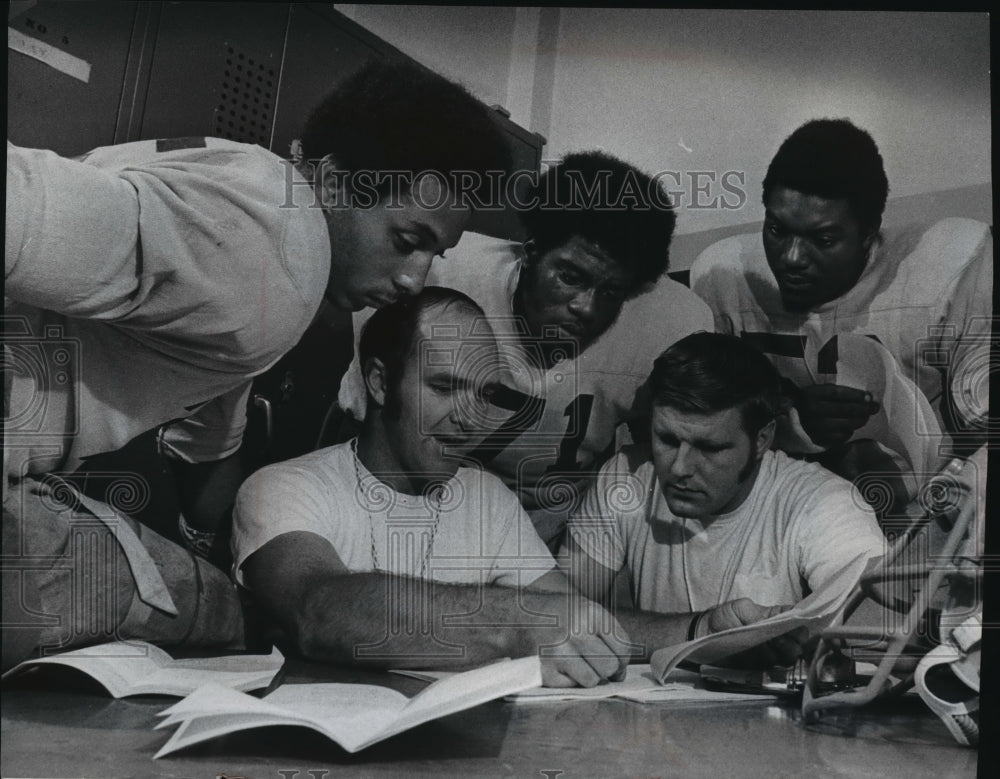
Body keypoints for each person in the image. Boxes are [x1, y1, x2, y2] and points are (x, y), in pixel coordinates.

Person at [2, 60, 510, 669]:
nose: (412, 279)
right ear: (332, 182)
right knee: (222, 616)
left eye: (434, 253)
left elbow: (206, 441)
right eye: (406, 241)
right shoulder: (284, 255)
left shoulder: (254, 183)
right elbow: (22, 204)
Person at [233, 290, 773, 684]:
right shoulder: (285, 487)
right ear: (378, 382)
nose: (470, 417)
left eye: (483, 393)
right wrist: (516, 622)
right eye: (444, 387)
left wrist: (706, 630)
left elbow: (579, 622)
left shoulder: (486, 496)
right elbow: (317, 613)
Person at [339, 151, 713, 548]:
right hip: (408, 511)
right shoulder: (442, 276)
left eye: (610, 291)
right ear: (531, 253)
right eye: (569, 276)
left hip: (545, 535)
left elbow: (657, 458)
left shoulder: (669, 321)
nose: (586, 307)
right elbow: (362, 429)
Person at [690, 118, 992, 515]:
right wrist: (794, 426)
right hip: (786, 514)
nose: (792, 257)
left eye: (823, 239)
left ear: (868, 234)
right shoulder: (724, 276)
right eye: (777, 230)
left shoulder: (950, 267)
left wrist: (951, 507)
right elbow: (699, 431)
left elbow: (988, 434)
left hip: (929, 515)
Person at [563, 333, 887, 664]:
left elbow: (882, 623)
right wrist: (704, 632)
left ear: (762, 439)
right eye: (667, 439)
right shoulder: (626, 479)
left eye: (709, 448)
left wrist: (805, 637)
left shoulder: (823, 500)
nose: (680, 467)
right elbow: (555, 620)